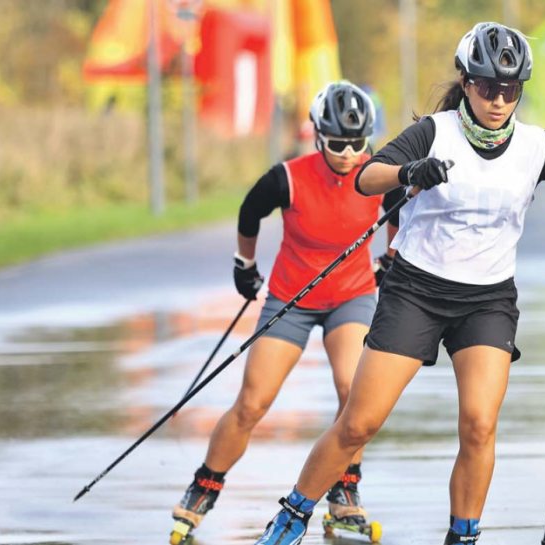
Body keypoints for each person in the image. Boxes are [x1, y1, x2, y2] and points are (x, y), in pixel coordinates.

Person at [251, 22, 545, 545]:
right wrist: (410, 172)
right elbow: (367, 176)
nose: (499, 99)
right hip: (416, 290)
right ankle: (292, 516)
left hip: (487, 300)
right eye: (488, 87)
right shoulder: (435, 132)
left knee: (479, 424)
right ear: (466, 82)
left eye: (511, 90)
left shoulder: (534, 145)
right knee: (358, 424)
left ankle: (463, 536)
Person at [169, 81, 400, 545]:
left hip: (351, 297)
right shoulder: (289, 177)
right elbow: (249, 213)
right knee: (253, 402)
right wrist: (244, 265)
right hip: (291, 299)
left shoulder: (379, 174)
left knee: (352, 390)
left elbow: (400, 217)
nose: (349, 152)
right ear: (317, 136)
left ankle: (344, 493)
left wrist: (388, 261)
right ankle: (203, 488)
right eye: (338, 143)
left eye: (359, 142)